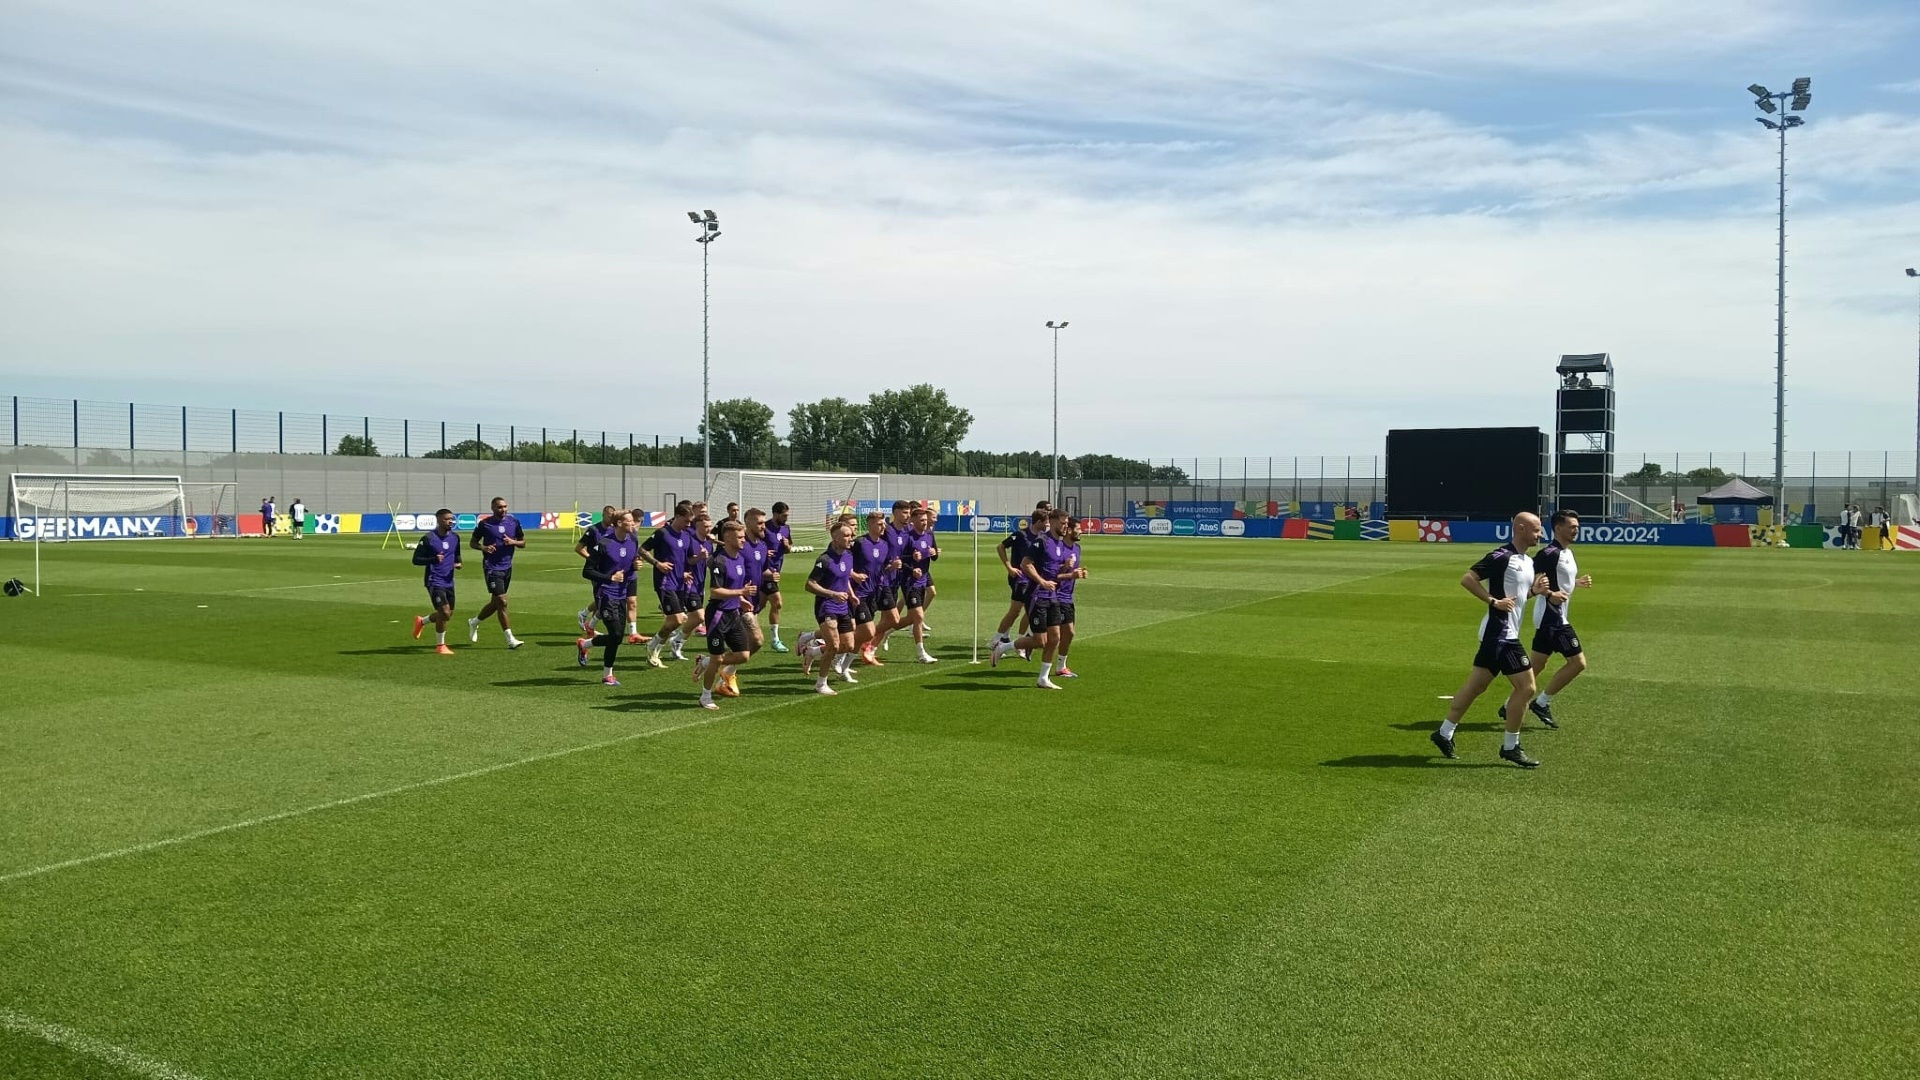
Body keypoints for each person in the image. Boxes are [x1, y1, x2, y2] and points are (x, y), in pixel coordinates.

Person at [1429, 512, 1552, 768]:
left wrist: (1533, 592)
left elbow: (1515, 597)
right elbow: (1468, 578)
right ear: (1520, 528)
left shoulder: (1527, 562)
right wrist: (1492, 601)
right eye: (1537, 529)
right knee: (1527, 688)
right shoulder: (1501, 556)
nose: (1540, 534)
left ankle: (1443, 733)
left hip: (1502, 633)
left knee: (1476, 687)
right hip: (1501, 634)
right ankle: (1511, 746)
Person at [1523, 509, 1594, 727]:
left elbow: (1561, 580)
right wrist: (1549, 593)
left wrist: (1576, 583)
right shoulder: (1549, 553)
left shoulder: (1567, 553)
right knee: (1577, 663)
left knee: (1536, 666)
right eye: (1572, 526)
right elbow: (1526, 580)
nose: (1576, 530)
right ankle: (1542, 702)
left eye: (1577, 527)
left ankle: (1509, 705)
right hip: (1551, 618)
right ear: (1558, 528)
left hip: (1553, 617)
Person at [991, 509, 1072, 688]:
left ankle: (1043, 678)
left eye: (1067, 523)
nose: (1065, 526)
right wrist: (1042, 582)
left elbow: (1054, 572)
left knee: (1054, 639)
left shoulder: (1060, 544)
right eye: (1062, 522)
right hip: (1037, 595)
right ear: (1052, 521)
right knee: (1040, 641)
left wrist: (1067, 569)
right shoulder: (1041, 541)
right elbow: (1025, 564)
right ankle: (1003, 646)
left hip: (1053, 596)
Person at [693, 519, 760, 709]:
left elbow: (733, 587)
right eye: (740, 537)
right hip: (718, 615)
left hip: (733, 613)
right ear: (728, 537)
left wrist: (740, 599)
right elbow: (715, 591)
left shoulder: (739, 558)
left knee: (744, 655)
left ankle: (705, 662)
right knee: (717, 658)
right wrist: (741, 593)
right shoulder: (719, 560)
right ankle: (705, 696)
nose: (743, 540)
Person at [575, 510, 639, 686]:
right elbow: (587, 571)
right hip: (605, 594)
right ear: (619, 523)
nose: (633, 524)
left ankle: (584, 644)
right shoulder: (604, 543)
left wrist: (635, 565)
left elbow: (630, 565)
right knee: (617, 634)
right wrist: (609, 578)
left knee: (616, 637)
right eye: (629, 521)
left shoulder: (633, 540)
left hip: (622, 593)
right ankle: (607, 675)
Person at [797, 521, 858, 695]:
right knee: (833, 646)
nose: (850, 538)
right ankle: (820, 684)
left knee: (848, 645)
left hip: (843, 605)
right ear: (835, 537)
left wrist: (851, 594)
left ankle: (811, 651)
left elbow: (844, 577)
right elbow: (809, 585)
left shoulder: (848, 555)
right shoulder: (824, 560)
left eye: (850, 535)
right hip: (826, 606)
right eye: (846, 535)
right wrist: (832, 594)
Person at [642, 501, 697, 668]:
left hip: (680, 582)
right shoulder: (662, 533)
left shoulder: (686, 536)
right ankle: (654, 645)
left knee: (674, 621)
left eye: (690, 522)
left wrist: (686, 571)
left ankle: (654, 647)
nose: (688, 524)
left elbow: (686, 559)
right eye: (686, 521)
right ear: (678, 516)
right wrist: (657, 563)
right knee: (679, 619)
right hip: (665, 582)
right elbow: (642, 550)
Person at [468, 496, 527, 649]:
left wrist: (513, 542)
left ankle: (475, 621)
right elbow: (472, 542)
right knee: (502, 602)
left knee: (496, 602)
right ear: (493, 508)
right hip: (492, 567)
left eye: (505, 507)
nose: (503, 510)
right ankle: (510, 639)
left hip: (507, 567)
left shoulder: (514, 522)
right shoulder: (485, 524)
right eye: (500, 507)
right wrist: (483, 548)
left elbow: (523, 542)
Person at [993, 501, 1052, 649]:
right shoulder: (1021, 534)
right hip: (1020, 578)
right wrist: (1009, 567)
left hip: (1033, 579)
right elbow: (1000, 546)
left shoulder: (1043, 537)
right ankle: (997, 641)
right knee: (1016, 611)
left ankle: (1018, 640)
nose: (1048, 524)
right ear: (1039, 522)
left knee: (1030, 610)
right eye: (1046, 522)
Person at [410, 509, 462, 655]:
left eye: (451, 519)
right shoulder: (428, 538)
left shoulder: (455, 537)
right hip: (434, 580)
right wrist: (433, 559)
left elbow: (456, 554)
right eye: (447, 519)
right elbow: (415, 560)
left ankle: (422, 621)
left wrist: (458, 563)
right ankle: (440, 646)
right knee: (444, 612)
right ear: (439, 520)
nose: (450, 521)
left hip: (449, 581)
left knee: (447, 614)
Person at [849, 510, 892, 670]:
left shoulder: (884, 545)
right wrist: (854, 575)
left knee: (862, 633)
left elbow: (883, 568)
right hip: (858, 593)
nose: (883, 527)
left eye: (884, 523)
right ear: (870, 525)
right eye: (880, 524)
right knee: (867, 631)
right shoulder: (859, 544)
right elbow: (844, 562)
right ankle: (825, 648)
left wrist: (891, 567)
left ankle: (842, 659)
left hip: (874, 592)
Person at [898, 504, 940, 664]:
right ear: (913, 521)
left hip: (923, 581)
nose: (924, 522)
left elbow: (934, 557)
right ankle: (921, 653)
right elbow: (899, 558)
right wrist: (911, 562)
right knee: (919, 617)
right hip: (909, 582)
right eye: (921, 520)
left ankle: (884, 630)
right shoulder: (907, 537)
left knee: (912, 618)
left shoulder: (929, 534)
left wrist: (934, 553)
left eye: (925, 520)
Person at [575, 505, 618, 634]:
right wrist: (592, 559)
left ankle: (585, 614)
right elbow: (579, 548)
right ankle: (590, 625)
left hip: (610, 569)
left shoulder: (614, 530)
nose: (611, 518)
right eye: (609, 515)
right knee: (603, 597)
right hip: (596, 571)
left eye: (613, 516)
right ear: (604, 514)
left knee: (607, 596)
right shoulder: (593, 530)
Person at [1054, 516, 1087, 678]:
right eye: (1078, 529)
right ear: (1068, 530)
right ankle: (1005, 646)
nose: (1081, 531)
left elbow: (1073, 572)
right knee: (1067, 633)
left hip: (1068, 596)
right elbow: (1051, 573)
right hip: (1056, 595)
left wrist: (1079, 574)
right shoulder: (1058, 548)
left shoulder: (1077, 548)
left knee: (1057, 636)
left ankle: (1061, 666)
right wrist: (1064, 566)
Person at [763, 502, 795, 652]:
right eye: (784, 515)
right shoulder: (764, 527)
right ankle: (775, 640)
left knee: (759, 606)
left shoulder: (786, 529)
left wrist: (787, 546)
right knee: (777, 602)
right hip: (764, 572)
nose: (786, 518)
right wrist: (764, 554)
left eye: (787, 515)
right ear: (775, 514)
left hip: (775, 573)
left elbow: (788, 550)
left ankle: (738, 627)